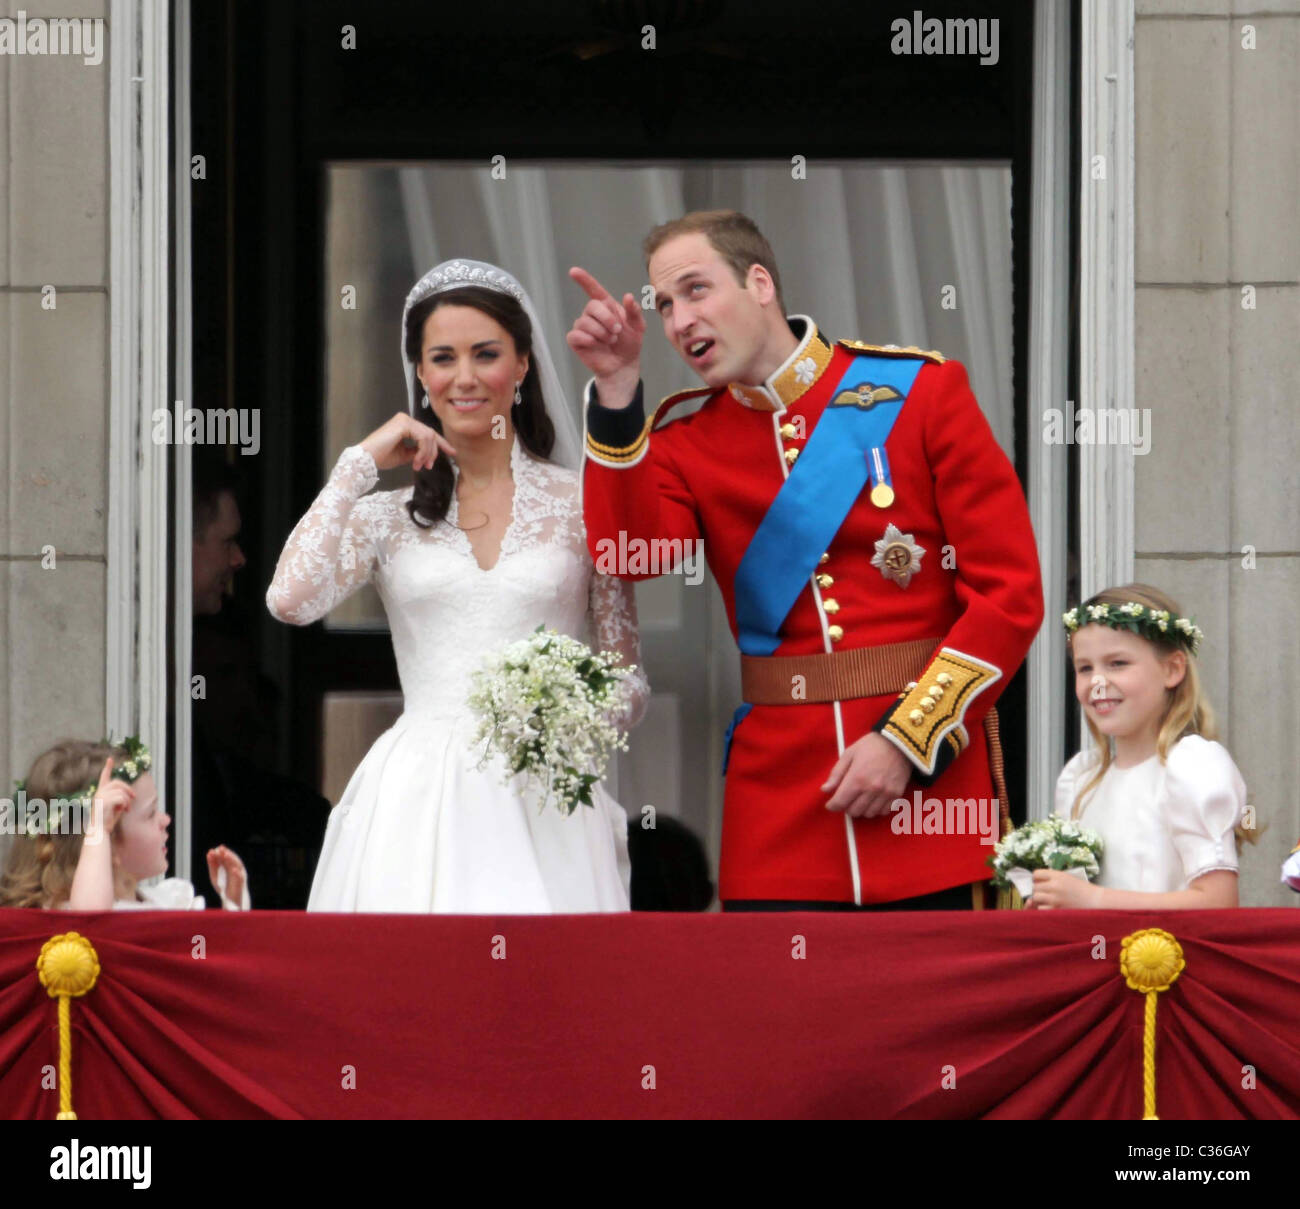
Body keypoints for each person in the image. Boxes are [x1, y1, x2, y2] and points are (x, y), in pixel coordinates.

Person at [571, 210, 1043, 910]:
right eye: (665, 303)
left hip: (926, 795)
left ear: (759, 282)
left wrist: (908, 741)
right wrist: (616, 393)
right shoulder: (685, 439)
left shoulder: (919, 393)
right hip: (780, 810)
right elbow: (628, 553)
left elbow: (1011, 595)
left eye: (696, 290)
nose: (678, 319)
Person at [266, 258, 649, 913]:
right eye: (442, 357)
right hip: (415, 801)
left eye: (486, 354)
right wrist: (356, 466)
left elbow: (628, 676)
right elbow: (290, 599)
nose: (464, 377)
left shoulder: (585, 502)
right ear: (420, 372)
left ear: (523, 364)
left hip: (547, 800)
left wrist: (562, 715)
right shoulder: (386, 514)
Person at [1032, 584, 1246, 909]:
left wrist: (1093, 899)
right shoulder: (1082, 777)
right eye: (1085, 668)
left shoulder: (1190, 765)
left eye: (1117, 663)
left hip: (1169, 957)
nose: (1098, 682)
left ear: (1172, 669)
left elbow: (1218, 902)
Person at [0, 738, 247, 911]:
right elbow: (91, 927)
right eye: (150, 814)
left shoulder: (171, 902)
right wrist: (97, 830)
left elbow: (212, 971)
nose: (166, 820)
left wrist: (233, 903)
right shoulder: (61, 914)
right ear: (106, 844)